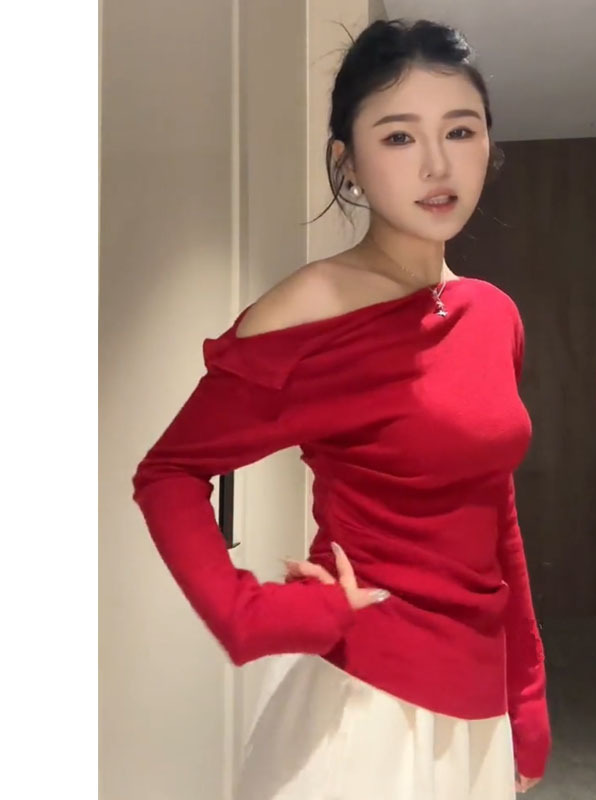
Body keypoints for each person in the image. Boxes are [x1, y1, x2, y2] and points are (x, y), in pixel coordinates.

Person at [132, 17, 551, 799]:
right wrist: (252, 616)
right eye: (398, 137)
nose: (436, 163)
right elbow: (168, 474)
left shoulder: (494, 314)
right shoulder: (311, 308)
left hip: (478, 708)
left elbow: (495, 513)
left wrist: (527, 699)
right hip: (365, 712)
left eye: (460, 130)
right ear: (347, 162)